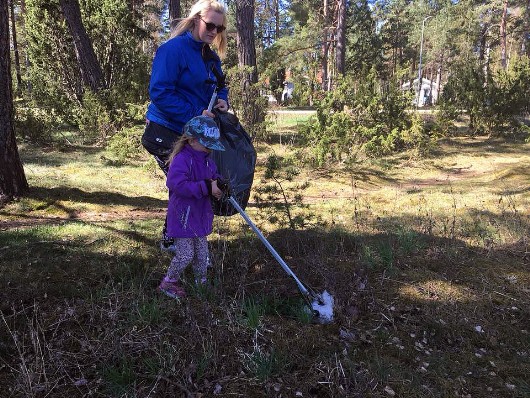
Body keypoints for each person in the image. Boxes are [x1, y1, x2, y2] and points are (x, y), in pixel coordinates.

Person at [142, 0, 229, 251]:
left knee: (187, 181)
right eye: (210, 25)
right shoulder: (173, 49)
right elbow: (160, 92)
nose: (214, 32)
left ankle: (178, 238)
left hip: (190, 134)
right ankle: (175, 240)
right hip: (164, 130)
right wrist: (195, 114)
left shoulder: (209, 56)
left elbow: (220, 84)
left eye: (219, 29)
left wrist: (222, 99)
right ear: (195, 20)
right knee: (183, 183)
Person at [158, 116, 225, 299]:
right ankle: (168, 282)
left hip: (200, 214)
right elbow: (176, 184)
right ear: (192, 140)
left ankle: (200, 283)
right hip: (184, 217)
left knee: (202, 254)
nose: (209, 148)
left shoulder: (207, 161)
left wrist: (218, 186)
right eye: (206, 144)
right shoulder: (182, 159)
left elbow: (213, 177)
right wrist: (205, 187)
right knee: (186, 254)